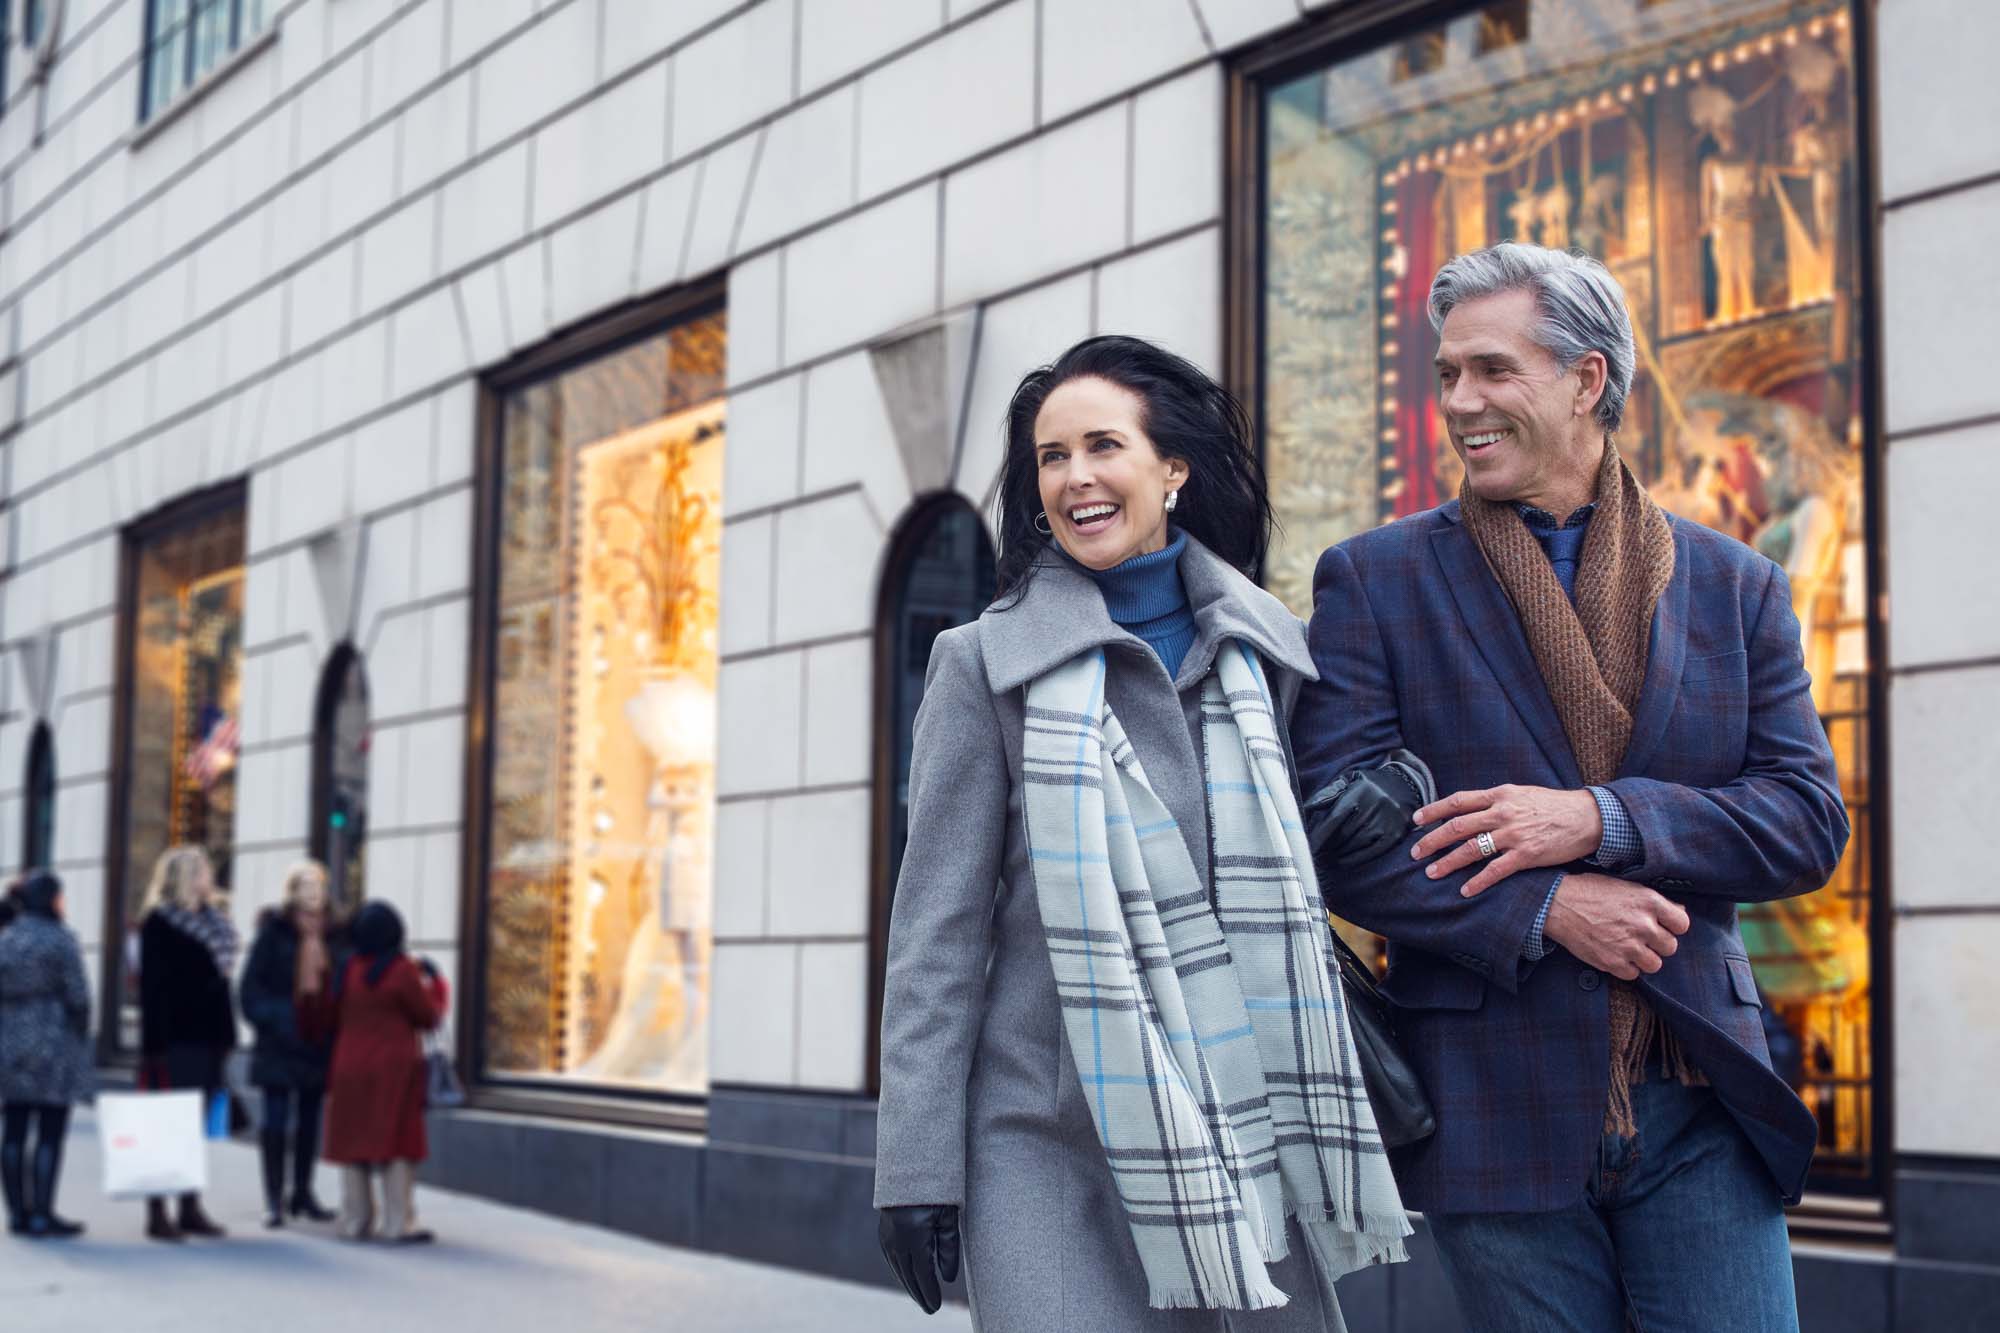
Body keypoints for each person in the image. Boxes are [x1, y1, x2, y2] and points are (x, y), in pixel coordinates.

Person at [1289, 242, 1849, 1332]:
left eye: (1492, 370)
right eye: (1447, 374)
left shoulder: (1738, 586)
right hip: (1488, 1101)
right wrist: (1546, 907)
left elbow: (1804, 820)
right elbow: (1332, 839)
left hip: (1698, 1094)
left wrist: (1599, 820)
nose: (1460, 402)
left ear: (1587, 380)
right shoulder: (1373, 578)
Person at [874, 335, 1409, 1329]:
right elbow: (935, 939)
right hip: (1044, 1140)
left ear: (1171, 469)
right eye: (1049, 456)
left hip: (1246, 1119)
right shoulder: (980, 666)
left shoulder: (1268, 654)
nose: (1073, 477)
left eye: (1100, 446)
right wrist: (913, 1162)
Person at [323, 901, 446, 1245]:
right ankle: (396, 1222)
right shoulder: (402, 970)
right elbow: (428, 1016)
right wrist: (436, 984)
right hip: (394, 1066)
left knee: (354, 1141)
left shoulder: (347, 968)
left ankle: (355, 1218)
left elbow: (330, 1013)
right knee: (398, 1142)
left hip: (348, 1063)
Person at [137, 845, 239, 1242]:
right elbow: (152, 990)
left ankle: (190, 1205)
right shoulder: (159, 924)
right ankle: (157, 1211)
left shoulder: (216, 922)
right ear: (185, 877)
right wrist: (153, 1047)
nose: (209, 877)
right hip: (174, 1039)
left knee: (194, 1128)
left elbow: (221, 987)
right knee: (167, 1128)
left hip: (209, 1037)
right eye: (202, 871)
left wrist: (228, 1036)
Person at [239, 860, 347, 1228]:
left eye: (318, 884)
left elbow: (343, 981)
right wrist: (278, 1018)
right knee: (275, 1121)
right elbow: (250, 989)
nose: (312, 892)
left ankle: (302, 1192)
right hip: (280, 1041)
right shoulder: (275, 932)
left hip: (318, 1039)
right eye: (304, 885)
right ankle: (274, 1198)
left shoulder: (336, 934)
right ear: (292, 892)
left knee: (309, 1122)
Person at [0, 872, 93, 1239]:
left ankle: (17, 1213)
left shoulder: (8, 938)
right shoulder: (60, 940)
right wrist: (80, 1034)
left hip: (10, 1042)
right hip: (54, 1043)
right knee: (51, 1131)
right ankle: (41, 1211)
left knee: (14, 1129)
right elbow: (79, 996)